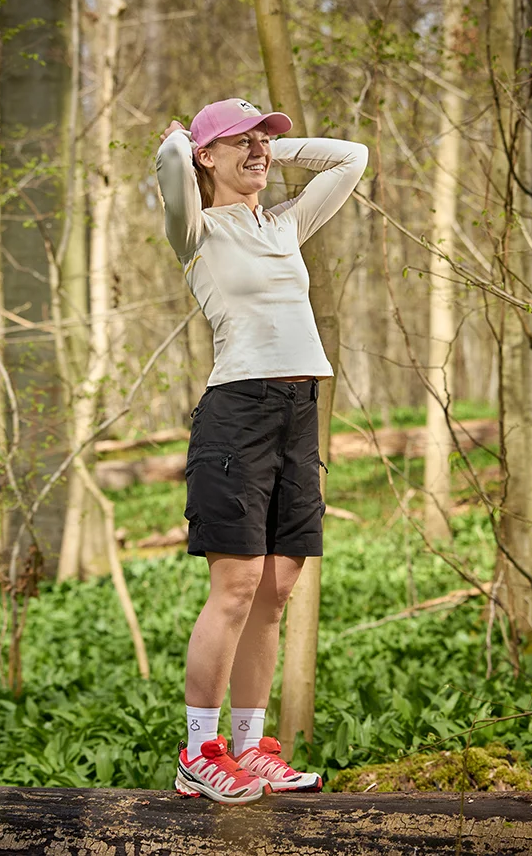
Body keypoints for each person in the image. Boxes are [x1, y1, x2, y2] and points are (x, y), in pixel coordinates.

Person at [154, 97, 367, 803]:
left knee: (276, 589)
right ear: (205, 160)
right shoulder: (196, 231)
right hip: (237, 414)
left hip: (300, 412)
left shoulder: (284, 225)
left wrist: (267, 144)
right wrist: (191, 143)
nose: (258, 153)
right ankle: (199, 754)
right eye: (239, 145)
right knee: (236, 586)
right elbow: (166, 163)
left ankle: (249, 750)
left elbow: (352, 158)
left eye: (263, 142)